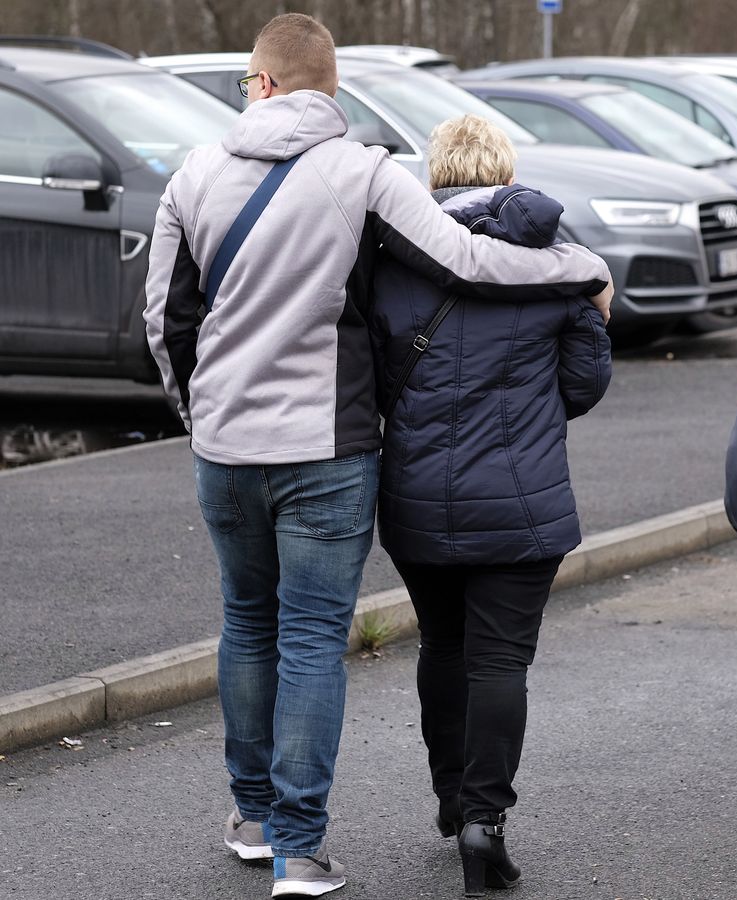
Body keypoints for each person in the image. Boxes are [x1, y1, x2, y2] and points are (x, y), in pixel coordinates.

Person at [142, 14, 612, 898]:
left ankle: (250, 818)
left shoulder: (194, 174)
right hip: (327, 447)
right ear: (329, 85)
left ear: (267, 83)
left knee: (248, 620)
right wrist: (582, 272)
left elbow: (166, 321)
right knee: (315, 637)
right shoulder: (364, 174)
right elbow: (470, 261)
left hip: (226, 446)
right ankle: (298, 852)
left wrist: (198, 414)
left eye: (250, 81)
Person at [368, 114, 611, 897]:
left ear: (433, 175)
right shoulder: (552, 261)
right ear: (507, 173)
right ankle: (485, 823)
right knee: (501, 659)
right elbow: (584, 383)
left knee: (442, 647)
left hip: (416, 495)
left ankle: (449, 798)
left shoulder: (392, 260)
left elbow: (370, 375)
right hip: (523, 499)